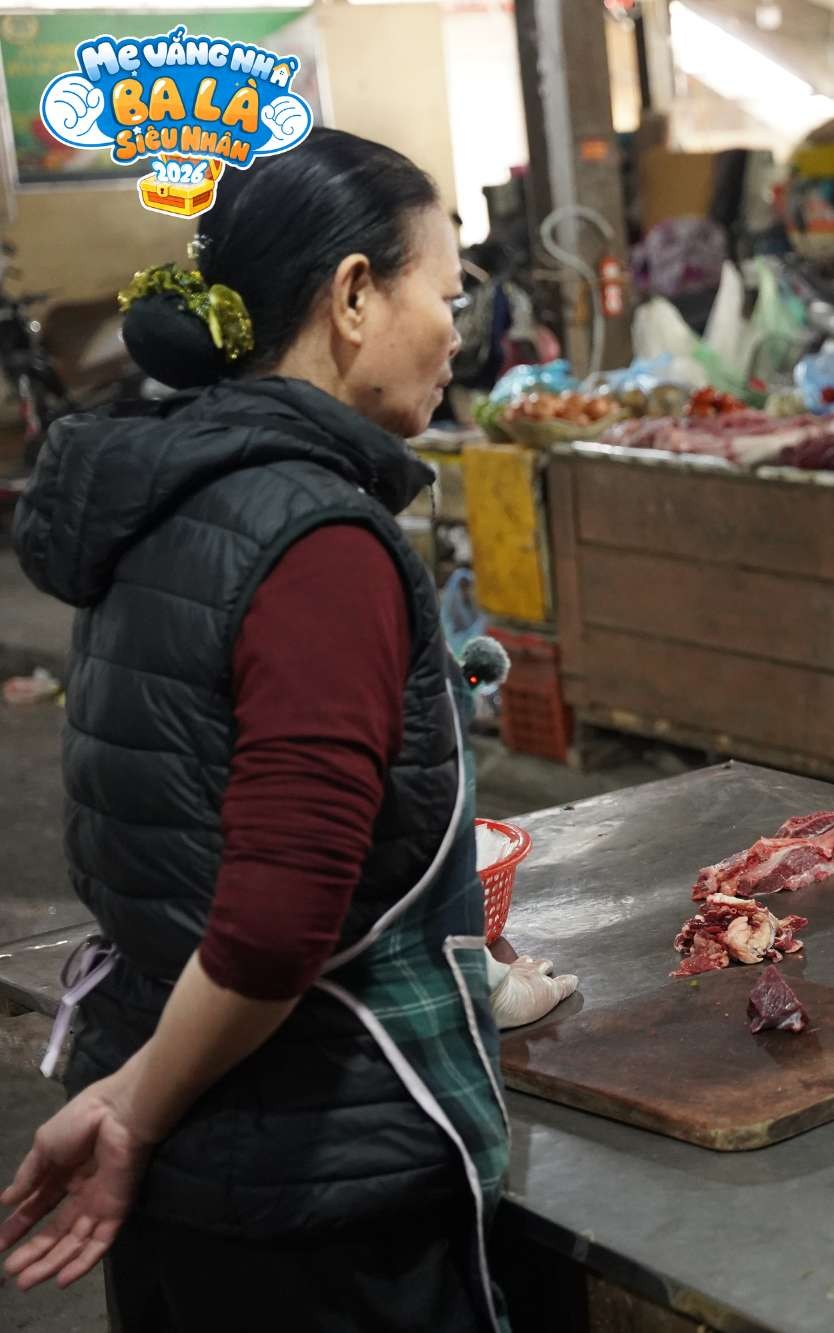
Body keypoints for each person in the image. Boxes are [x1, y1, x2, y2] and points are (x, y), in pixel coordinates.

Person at [4, 129, 511, 1328]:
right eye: (442, 295)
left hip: (200, 1149)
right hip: (305, 1178)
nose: (457, 332)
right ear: (350, 296)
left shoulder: (178, 493)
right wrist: (132, 1106)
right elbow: (275, 920)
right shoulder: (318, 542)